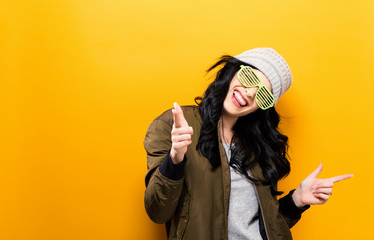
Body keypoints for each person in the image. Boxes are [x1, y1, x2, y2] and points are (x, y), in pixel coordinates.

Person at [143, 48, 353, 240]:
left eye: (263, 94)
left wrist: (296, 200)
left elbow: (262, 225)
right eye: (249, 77)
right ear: (232, 71)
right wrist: (175, 158)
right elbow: (158, 211)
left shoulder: (259, 147)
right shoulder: (173, 125)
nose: (250, 92)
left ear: (262, 107)